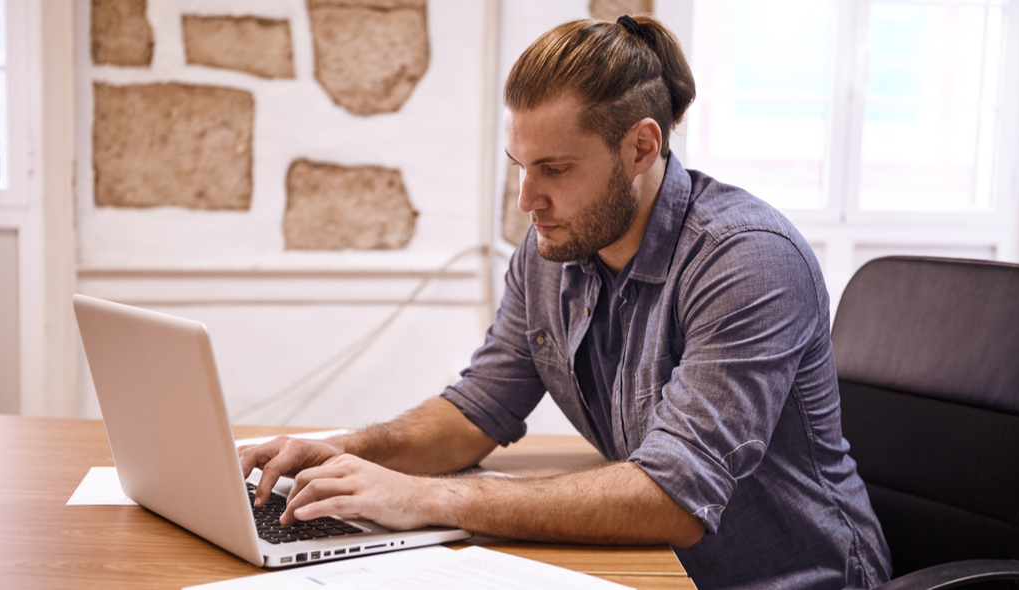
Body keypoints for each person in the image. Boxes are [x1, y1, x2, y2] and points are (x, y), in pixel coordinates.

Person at [240, 15, 892, 590]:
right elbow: (479, 408)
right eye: (519, 165)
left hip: (786, 578)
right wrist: (351, 453)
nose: (527, 200)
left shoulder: (747, 261)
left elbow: (676, 500)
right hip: (654, 568)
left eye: (554, 169)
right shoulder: (554, 246)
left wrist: (432, 499)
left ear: (641, 146)